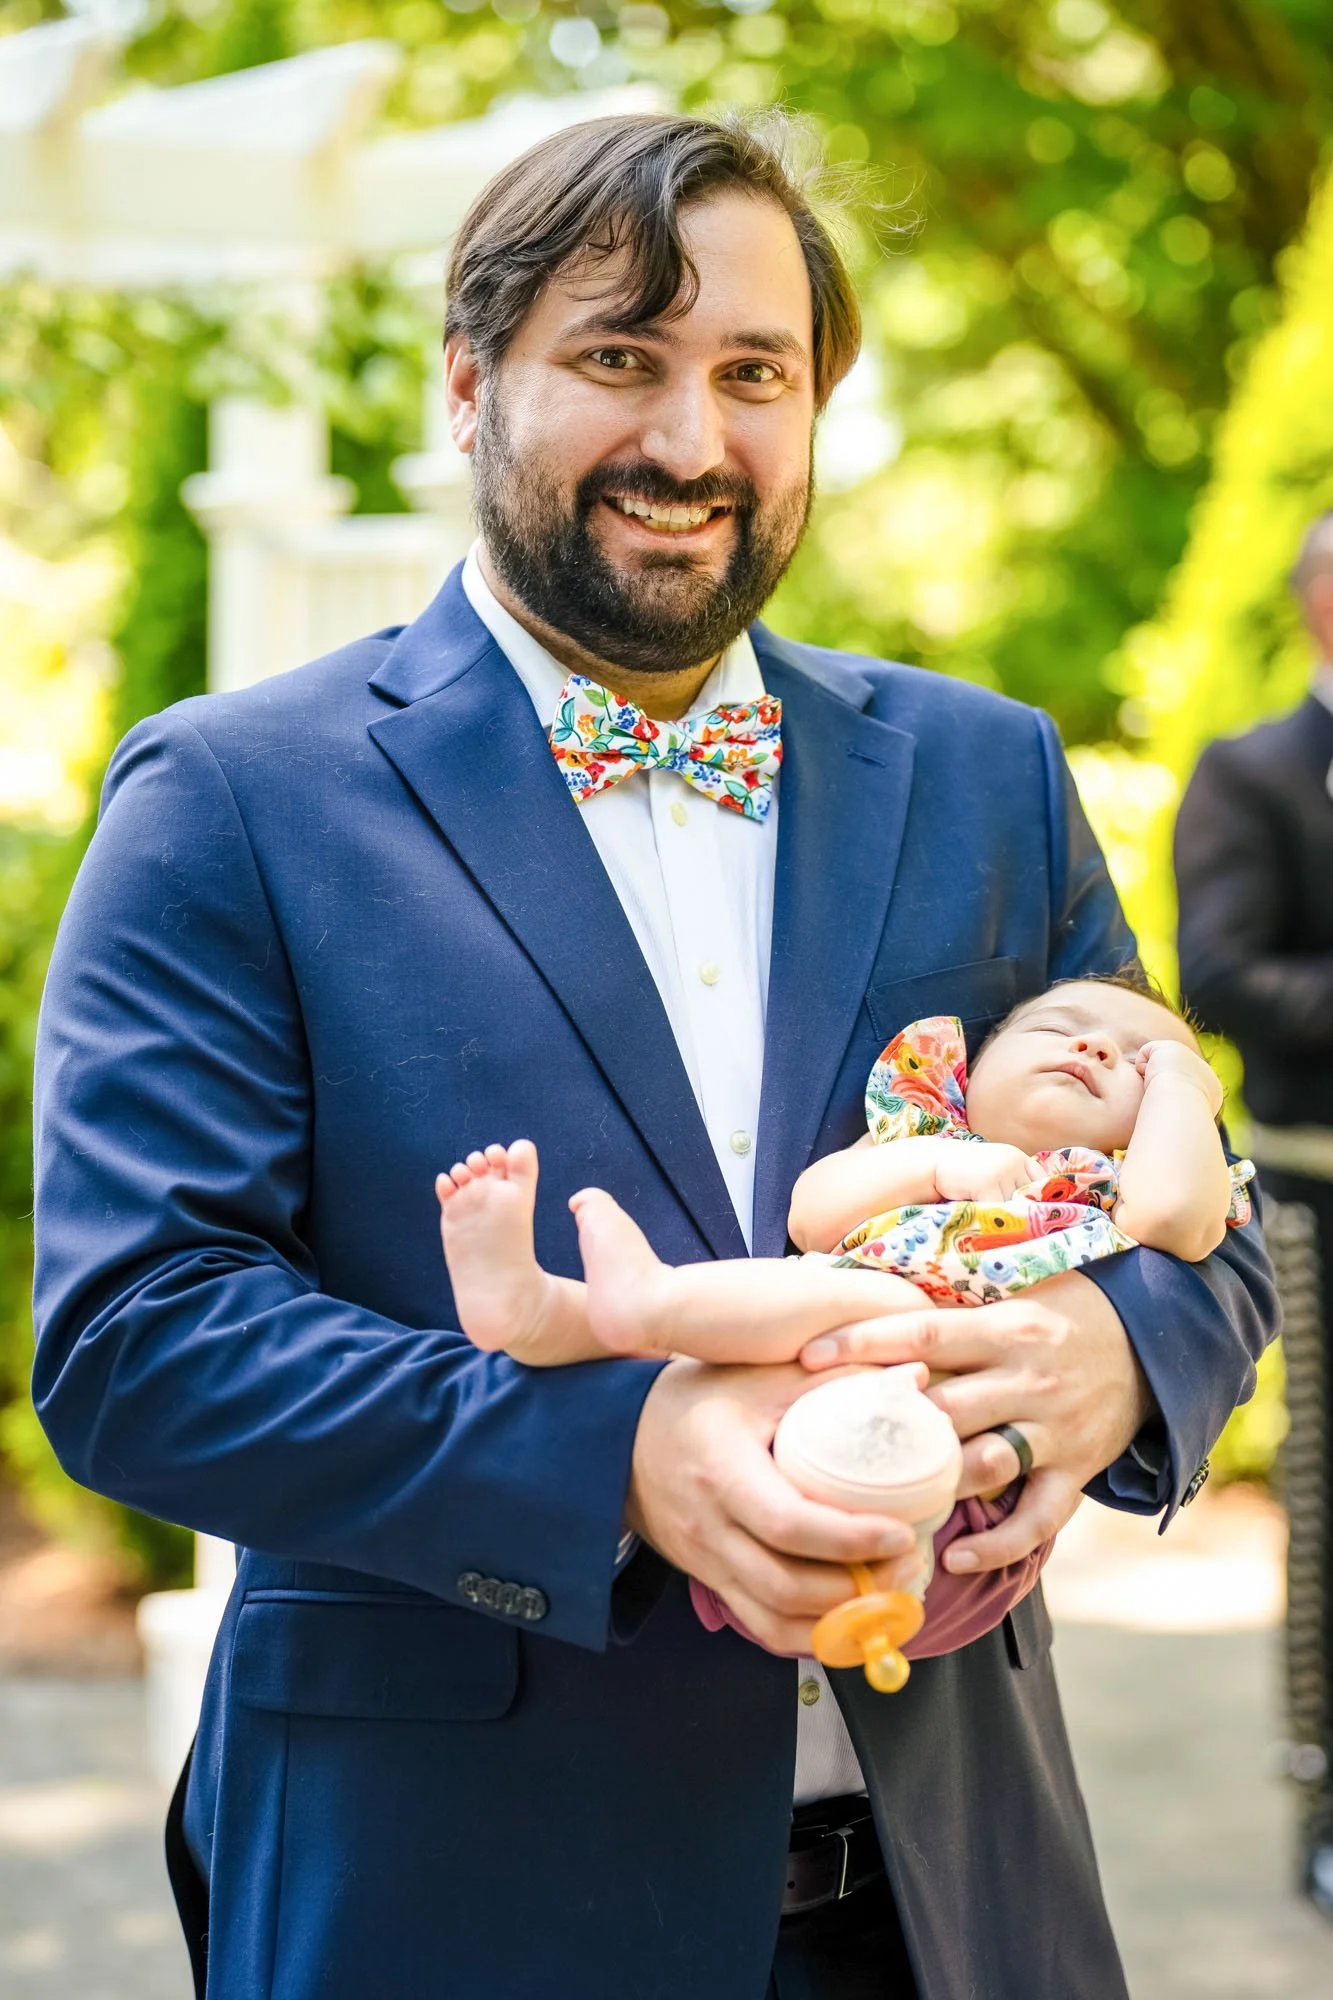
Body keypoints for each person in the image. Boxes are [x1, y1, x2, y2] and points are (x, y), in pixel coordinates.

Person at [32, 114, 1276, 1999]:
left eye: (752, 375)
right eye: (619, 358)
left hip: (949, 1908)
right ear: (469, 382)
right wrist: (617, 1450)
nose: (693, 443)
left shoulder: (982, 775)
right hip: (450, 1904)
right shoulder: (229, 795)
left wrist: (1108, 1355)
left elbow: (1202, 1220)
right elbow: (136, 1342)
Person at [436, 976, 1252, 1369]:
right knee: (797, 1289)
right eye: (1058, 1027)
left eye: (1139, 1065)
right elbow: (810, 1216)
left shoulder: (1116, 1181)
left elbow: (1174, 1220)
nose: (1095, 1047)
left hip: (943, 1358)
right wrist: (935, 1162)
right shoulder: (924, 1129)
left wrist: (1183, 1080)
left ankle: (645, 1302)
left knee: (848, 1298)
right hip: (813, 1335)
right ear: (980, 1058)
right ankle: (544, 1311)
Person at [1175, 507, 1333, 1918]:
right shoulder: (1255, 774)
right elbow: (1216, 974)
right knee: (1331, 1509)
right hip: (1319, 1189)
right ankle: (1326, 1799)